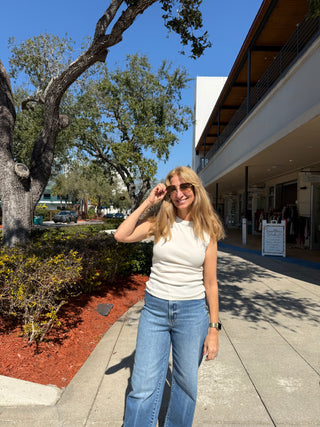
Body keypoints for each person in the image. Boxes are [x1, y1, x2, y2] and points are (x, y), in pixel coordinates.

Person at [114, 166, 225, 427]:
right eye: (173, 189)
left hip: (192, 314)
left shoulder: (208, 230)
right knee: (141, 386)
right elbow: (121, 235)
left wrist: (214, 330)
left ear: (195, 189)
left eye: (185, 186)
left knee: (186, 387)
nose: (179, 193)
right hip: (155, 311)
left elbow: (211, 284)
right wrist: (149, 202)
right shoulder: (159, 223)